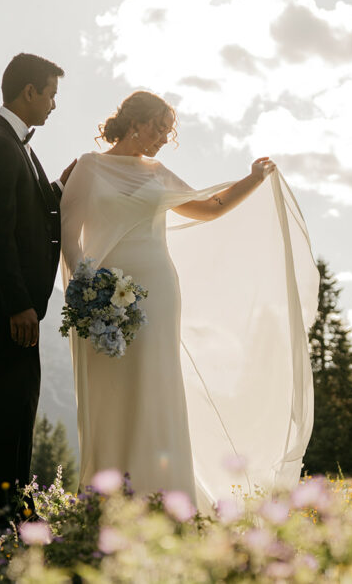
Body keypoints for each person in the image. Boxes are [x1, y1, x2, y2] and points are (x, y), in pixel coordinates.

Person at [60, 91, 318, 510]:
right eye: (159, 128)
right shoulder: (89, 167)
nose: (164, 138)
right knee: (109, 391)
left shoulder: (159, 173)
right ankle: (106, 498)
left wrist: (253, 177)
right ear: (135, 123)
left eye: (168, 130)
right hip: (101, 294)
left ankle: (162, 498)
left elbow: (210, 207)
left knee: (155, 385)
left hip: (157, 293)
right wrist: (88, 289)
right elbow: (69, 235)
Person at [0, 52, 76, 530]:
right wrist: (19, 303)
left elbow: (23, 209)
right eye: (51, 94)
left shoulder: (14, 144)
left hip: (17, 301)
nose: (53, 104)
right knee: (7, 402)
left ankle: (14, 504)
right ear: (29, 92)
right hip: (8, 303)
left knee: (19, 400)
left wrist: (57, 188)